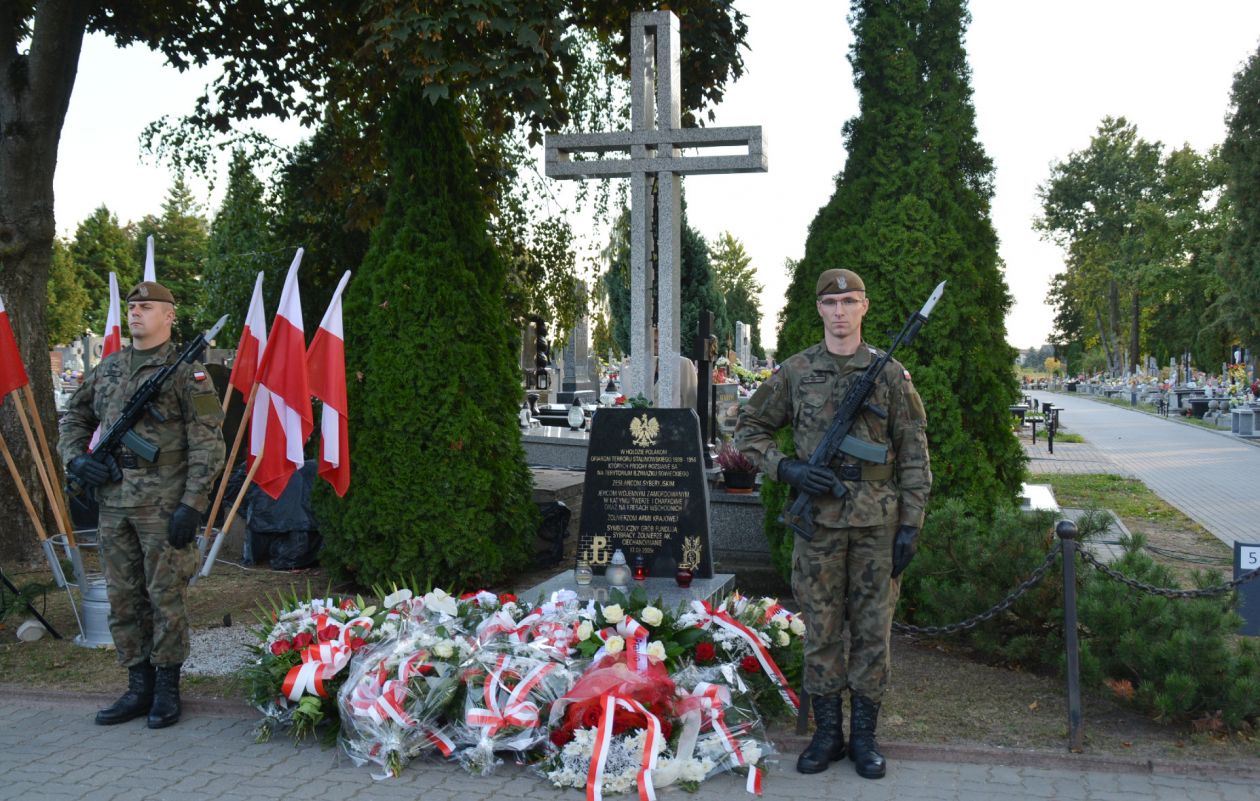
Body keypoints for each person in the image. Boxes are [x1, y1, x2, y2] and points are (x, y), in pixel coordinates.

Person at [733, 269, 931, 779]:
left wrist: (911, 523)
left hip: (877, 526)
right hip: (817, 526)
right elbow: (749, 428)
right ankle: (827, 735)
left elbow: (913, 452)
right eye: (831, 302)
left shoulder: (890, 375)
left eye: (849, 301)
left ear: (864, 306)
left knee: (872, 632)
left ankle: (864, 738)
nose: (840, 311)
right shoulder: (797, 372)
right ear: (819, 309)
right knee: (820, 630)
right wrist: (788, 468)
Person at [59, 281, 226, 729]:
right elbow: (75, 416)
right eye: (132, 307)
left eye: (146, 307)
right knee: (123, 598)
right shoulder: (109, 368)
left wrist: (192, 504)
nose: (136, 313)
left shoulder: (187, 373)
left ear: (169, 316)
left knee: (164, 597)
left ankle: (168, 689)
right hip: (113, 503)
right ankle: (138, 686)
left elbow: (208, 443)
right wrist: (77, 458)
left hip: (163, 505)